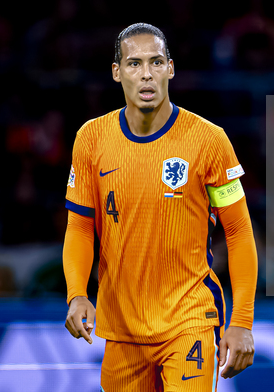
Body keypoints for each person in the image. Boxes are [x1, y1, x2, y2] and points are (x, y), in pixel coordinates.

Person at [62, 23, 257, 391]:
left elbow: (239, 230)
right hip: (122, 327)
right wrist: (76, 294)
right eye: (134, 64)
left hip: (189, 318)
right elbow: (80, 227)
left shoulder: (209, 140)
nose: (146, 73)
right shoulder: (91, 139)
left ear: (171, 68)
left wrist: (242, 321)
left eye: (156, 62)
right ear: (117, 72)